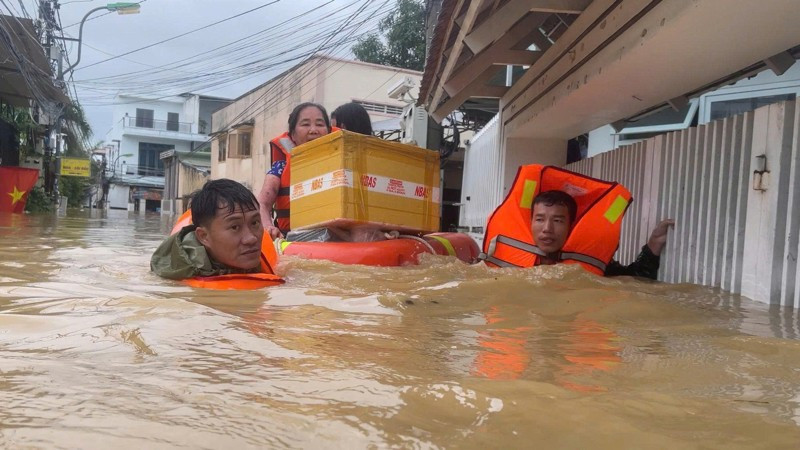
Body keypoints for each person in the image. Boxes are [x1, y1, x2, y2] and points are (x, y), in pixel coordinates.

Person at [531, 190, 674, 279]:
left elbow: (637, 280)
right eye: (539, 219)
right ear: (530, 222)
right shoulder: (516, 263)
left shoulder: (589, 261)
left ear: (571, 226)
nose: (547, 228)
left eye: (557, 221)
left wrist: (654, 243)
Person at [151, 179, 266, 280]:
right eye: (234, 227)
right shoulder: (177, 280)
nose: (251, 239)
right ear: (204, 236)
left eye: (254, 223)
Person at [258, 102, 331, 239]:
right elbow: (262, 203)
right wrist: (268, 228)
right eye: (305, 124)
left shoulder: (341, 165)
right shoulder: (280, 168)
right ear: (293, 135)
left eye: (320, 124)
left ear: (328, 131)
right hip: (291, 242)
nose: (313, 130)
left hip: (335, 241)